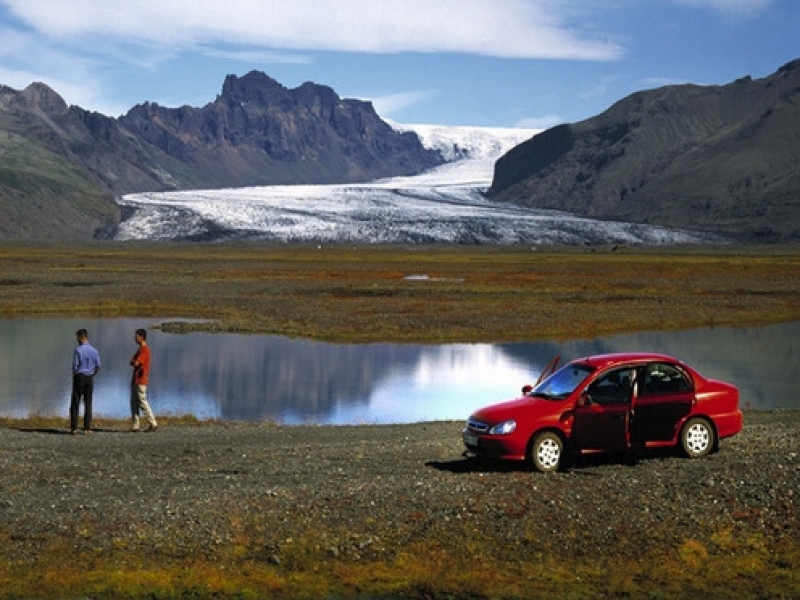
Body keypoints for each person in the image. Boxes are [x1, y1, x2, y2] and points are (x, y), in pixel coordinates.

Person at [71, 328, 101, 435]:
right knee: (88, 403)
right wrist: (92, 374)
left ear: (81, 337)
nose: (77, 340)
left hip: (80, 376)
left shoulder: (78, 350)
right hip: (89, 377)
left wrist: (75, 376)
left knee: (75, 402)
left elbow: (75, 366)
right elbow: (98, 366)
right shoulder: (94, 350)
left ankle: (74, 428)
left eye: (77, 337)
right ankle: (87, 428)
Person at [129, 328, 158, 432]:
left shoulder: (145, 350)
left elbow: (136, 362)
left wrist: (134, 362)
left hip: (141, 380)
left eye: (136, 336)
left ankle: (153, 423)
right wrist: (134, 361)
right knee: (134, 403)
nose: (134, 338)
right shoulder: (140, 349)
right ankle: (135, 425)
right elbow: (132, 361)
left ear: (141, 337)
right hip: (136, 379)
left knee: (142, 401)